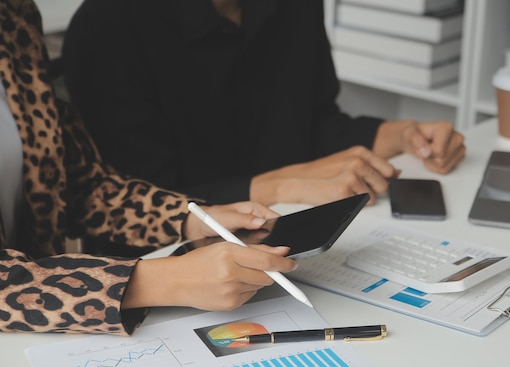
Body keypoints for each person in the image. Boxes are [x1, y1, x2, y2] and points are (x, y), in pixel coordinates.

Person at [0, 0, 298, 335]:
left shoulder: (13, 16)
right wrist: (162, 280)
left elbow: (78, 187)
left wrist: (191, 219)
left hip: (46, 334)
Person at [61, 0, 466, 210]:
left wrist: (397, 134)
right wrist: (287, 183)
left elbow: (312, 122)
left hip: (293, 228)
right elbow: (136, 201)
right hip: (170, 265)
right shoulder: (107, 26)